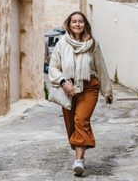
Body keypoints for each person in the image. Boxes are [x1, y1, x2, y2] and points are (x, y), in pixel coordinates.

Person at [49, 11, 113, 176]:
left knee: (81, 119)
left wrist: (107, 91)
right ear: (69, 25)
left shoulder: (92, 44)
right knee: (72, 125)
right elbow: (54, 67)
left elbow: (101, 66)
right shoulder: (62, 44)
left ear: (85, 25)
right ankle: (81, 151)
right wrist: (64, 83)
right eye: (74, 21)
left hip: (89, 87)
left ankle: (79, 161)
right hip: (68, 89)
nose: (77, 24)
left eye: (80, 21)